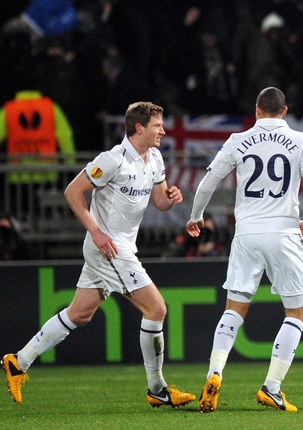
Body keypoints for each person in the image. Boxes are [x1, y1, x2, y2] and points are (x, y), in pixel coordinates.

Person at [2, 102, 195, 407]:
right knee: (156, 309)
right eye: (158, 125)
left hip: (119, 247)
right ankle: (157, 388)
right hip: (109, 247)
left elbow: (158, 199)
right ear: (139, 128)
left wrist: (170, 199)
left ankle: (18, 361)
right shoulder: (112, 160)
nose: (163, 130)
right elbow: (72, 192)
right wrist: (95, 230)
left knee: (79, 314)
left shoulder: (155, 157)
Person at [186, 87, 303, 413]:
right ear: (284, 111)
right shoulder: (302, 141)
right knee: (298, 313)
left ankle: (214, 372)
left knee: (234, 309)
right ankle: (271, 387)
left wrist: (195, 217)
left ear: (257, 110)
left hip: (246, 233)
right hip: (284, 231)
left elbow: (207, 183)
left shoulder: (237, 140)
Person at [0, 88, 75, 184]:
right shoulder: (51, 107)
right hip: (47, 174)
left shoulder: (9, 109)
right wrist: (70, 164)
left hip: (18, 175)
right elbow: (65, 137)